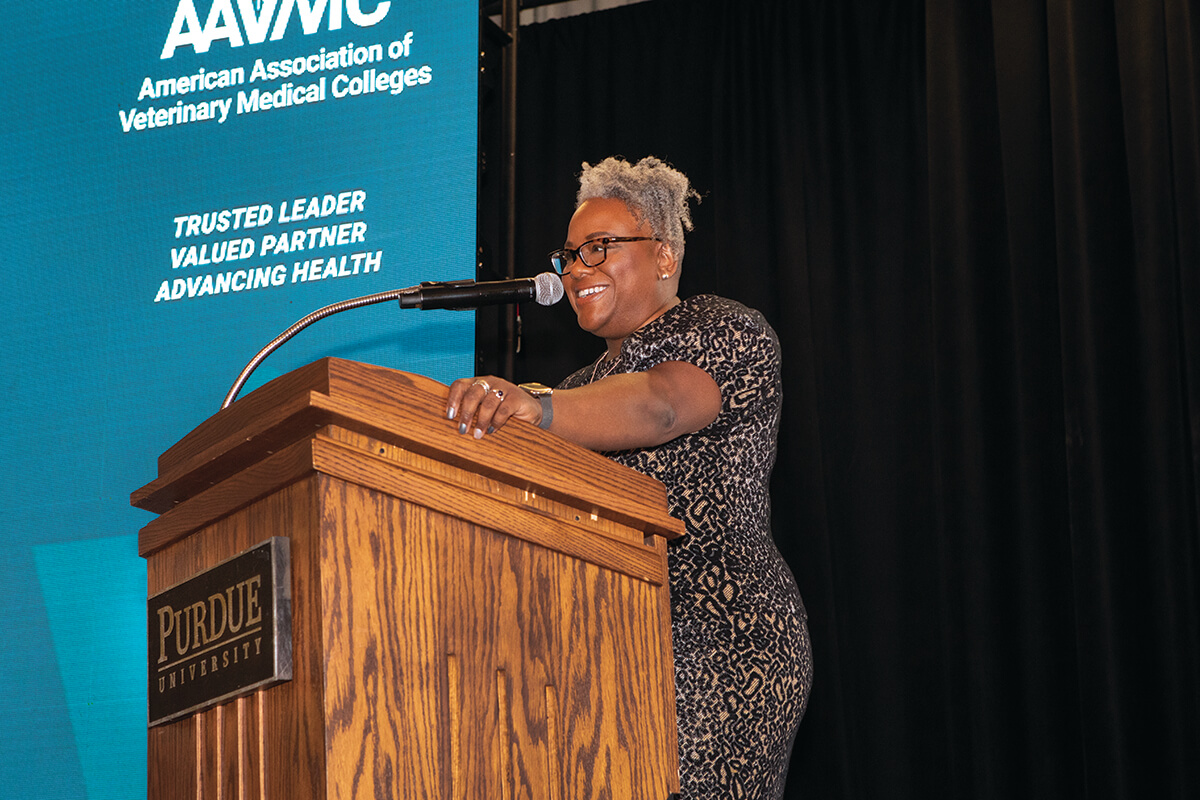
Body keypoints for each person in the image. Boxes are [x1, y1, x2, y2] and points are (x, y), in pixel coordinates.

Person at [446, 156, 811, 799]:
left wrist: (538, 408)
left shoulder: (720, 328)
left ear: (664, 256)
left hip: (721, 636)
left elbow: (660, 405)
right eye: (570, 255)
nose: (577, 269)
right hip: (610, 649)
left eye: (599, 248)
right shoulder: (577, 390)